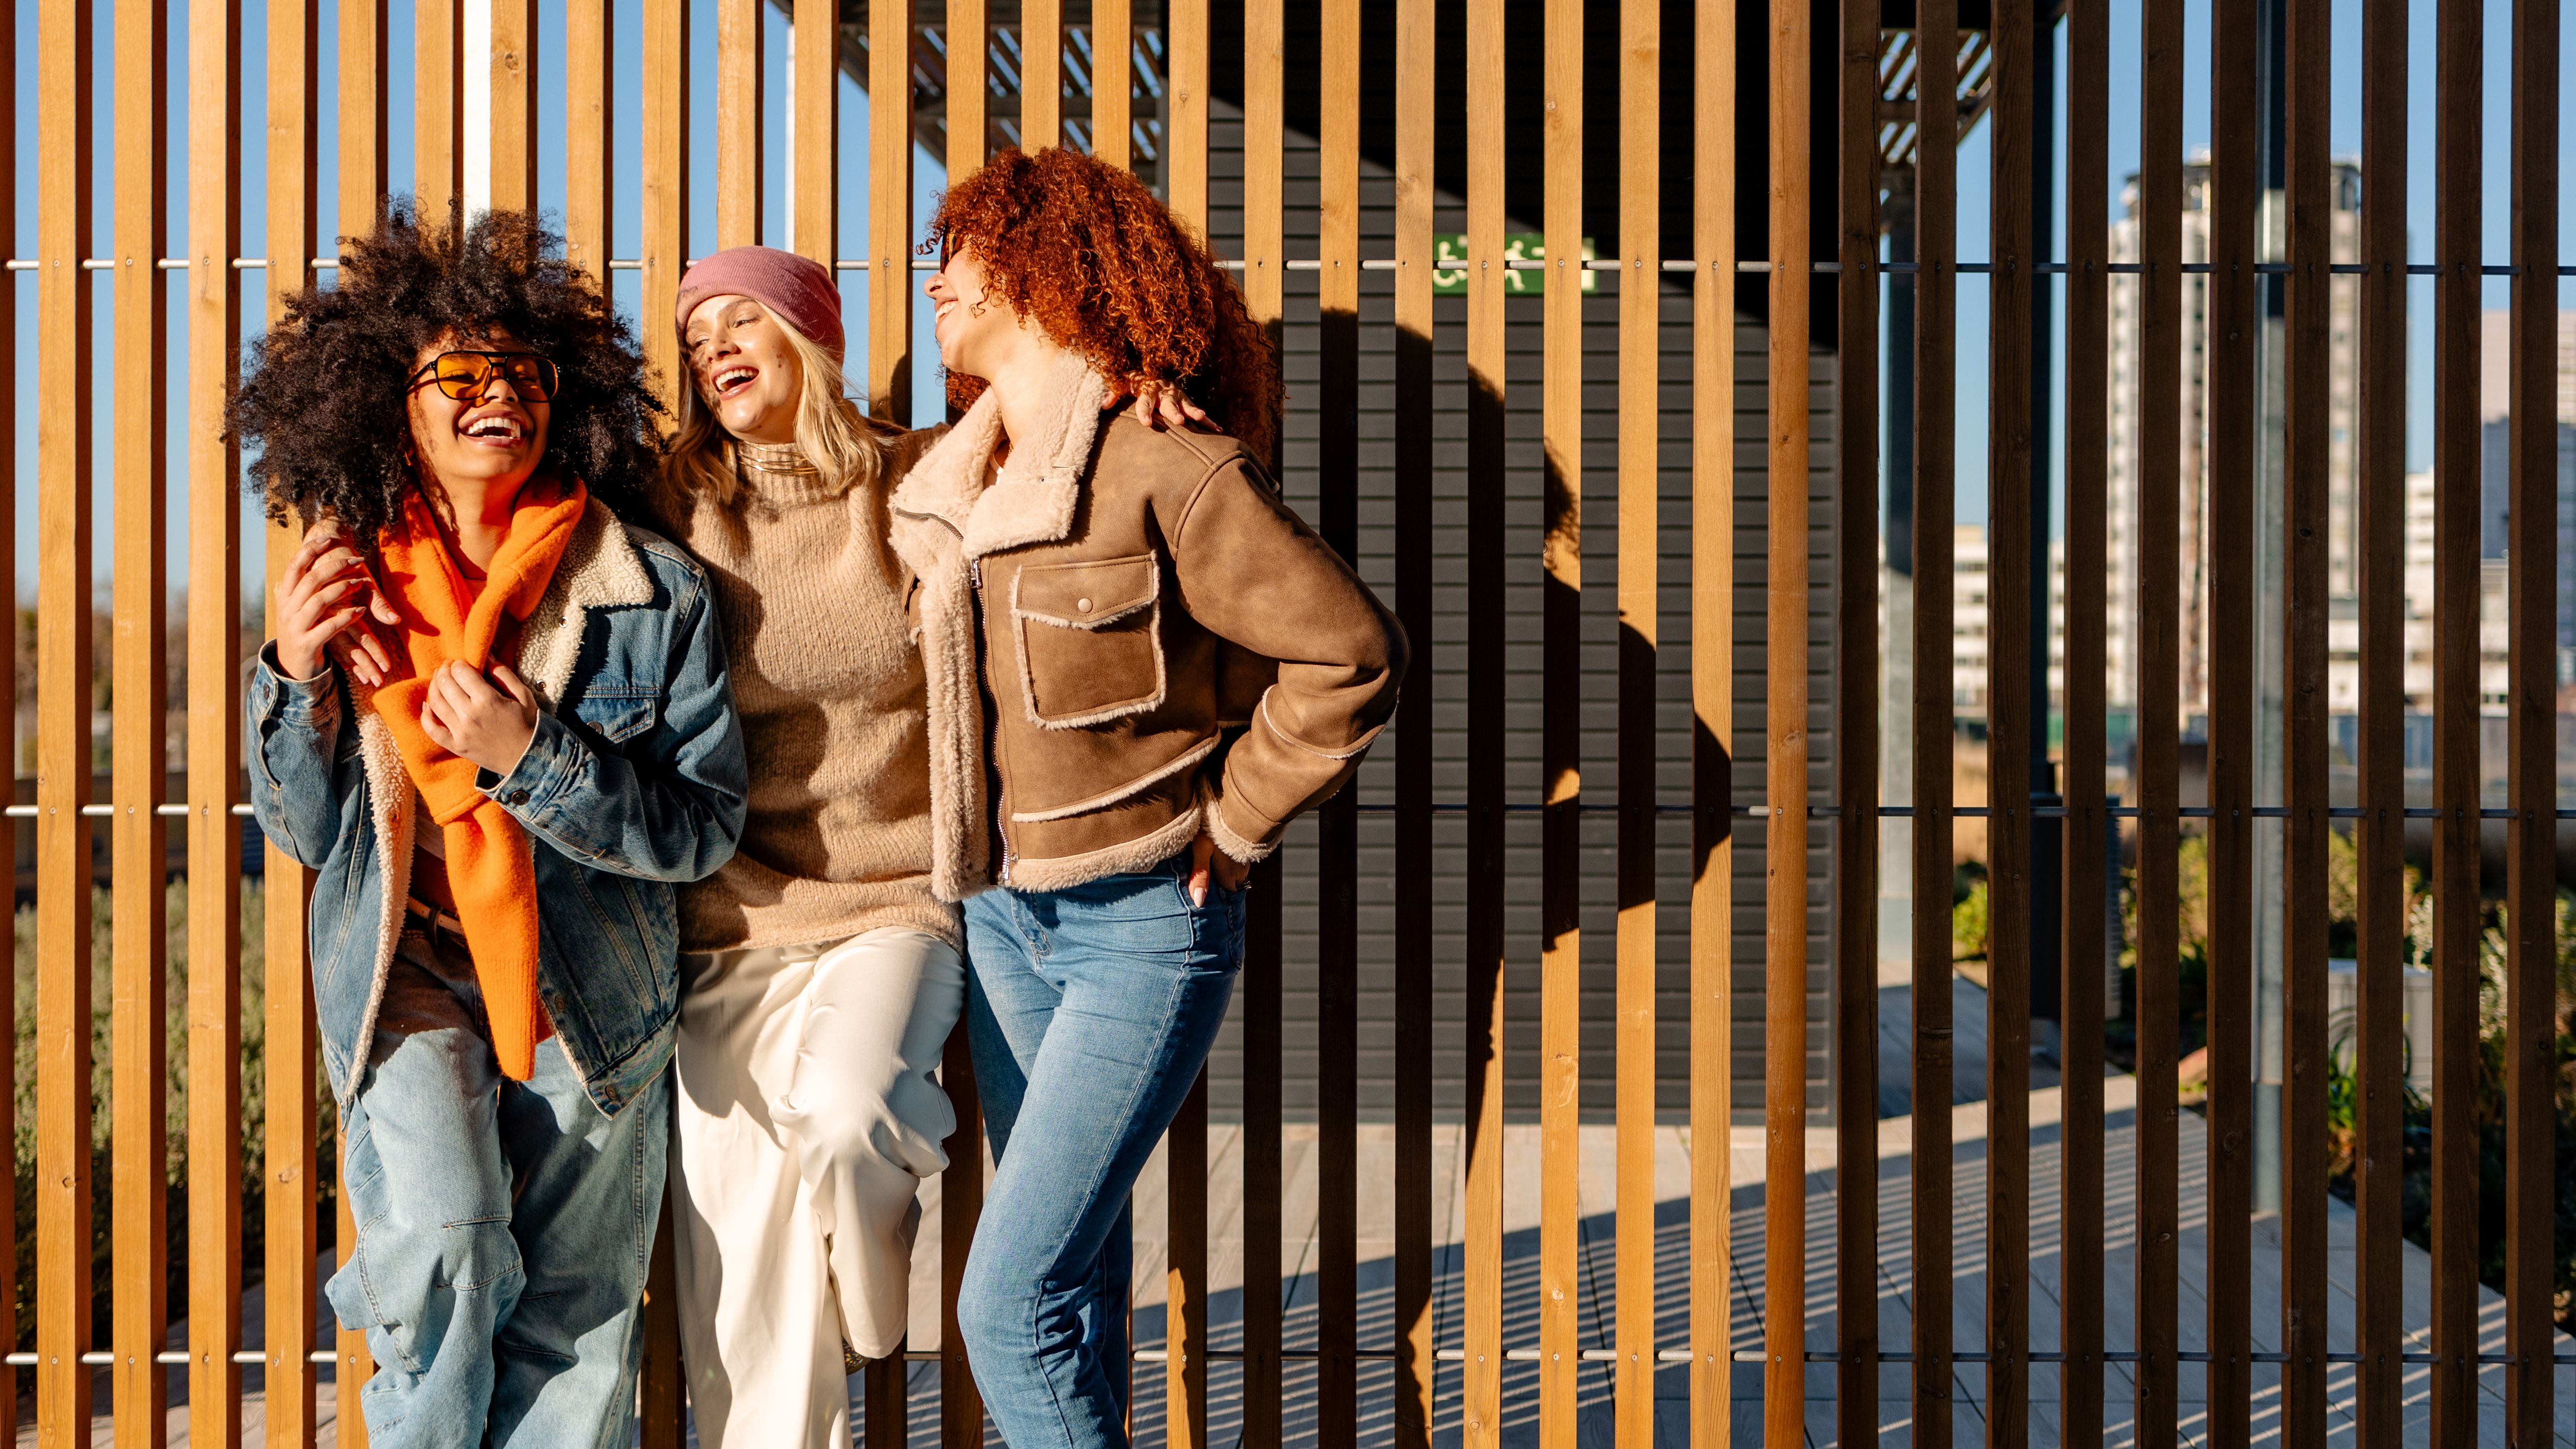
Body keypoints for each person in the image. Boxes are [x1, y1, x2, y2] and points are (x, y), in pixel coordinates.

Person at [646, 245, 1207, 1448]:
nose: (718, 352)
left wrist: (1145, 381)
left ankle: (876, 1307)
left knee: (851, 1116)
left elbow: (1065, 432)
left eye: (744, 323)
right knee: (739, 1277)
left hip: (896, 898)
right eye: (699, 341)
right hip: (729, 920)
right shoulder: (671, 504)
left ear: (812, 337)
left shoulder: (923, 477)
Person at [897, 146, 1407, 1449]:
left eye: (957, 249)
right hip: (1006, 921)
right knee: (1073, 1286)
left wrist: (1238, 820)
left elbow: (1349, 651)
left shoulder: (1164, 462)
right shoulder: (954, 482)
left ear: (1040, 261)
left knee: (1007, 1304)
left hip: (1140, 925)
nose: (933, 276)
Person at [230, 204, 747, 1449]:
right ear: (386, 403)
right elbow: (301, 831)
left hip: (591, 996)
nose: (492, 394)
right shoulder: (342, 583)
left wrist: (534, 760)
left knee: (576, 1325)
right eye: (455, 372)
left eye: (521, 372)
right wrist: (295, 671)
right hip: (404, 977)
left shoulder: (646, 587)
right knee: (449, 1244)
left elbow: (702, 826)